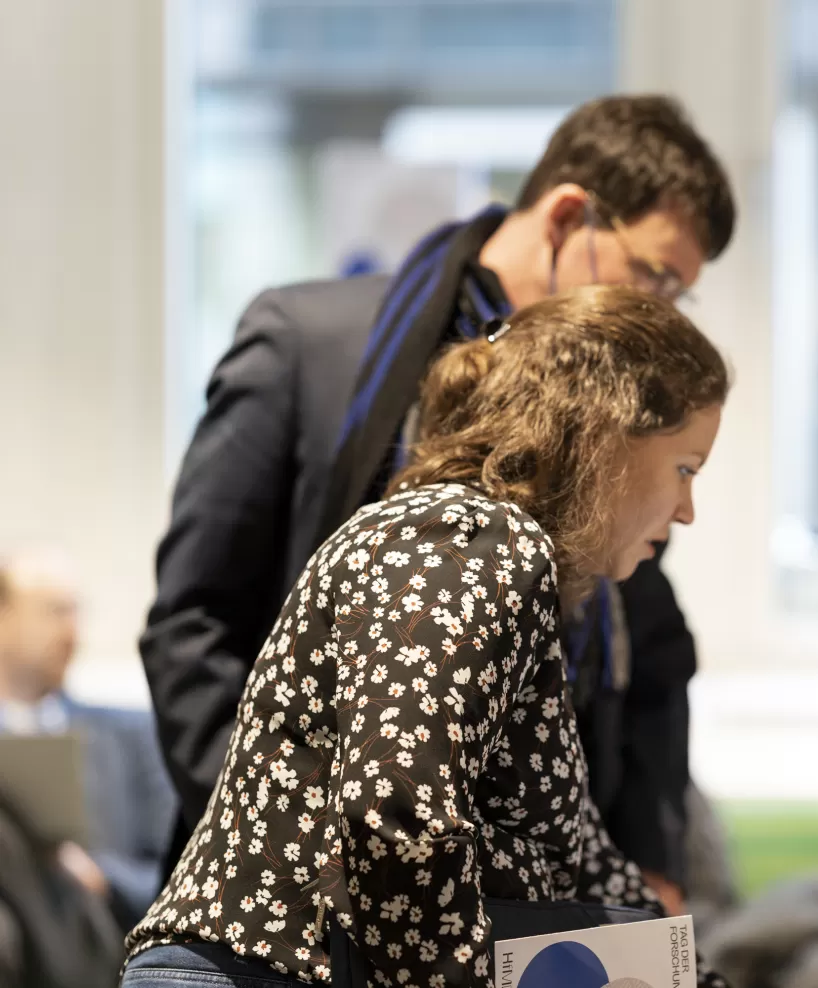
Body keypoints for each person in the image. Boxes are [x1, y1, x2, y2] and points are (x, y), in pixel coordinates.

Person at [140, 96, 736, 917]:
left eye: (681, 294)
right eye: (656, 274)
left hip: (519, 898)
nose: (662, 308)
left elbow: (650, 653)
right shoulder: (306, 346)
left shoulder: (615, 422)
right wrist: (286, 841)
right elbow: (194, 624)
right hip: (294, 906)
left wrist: (645, 867)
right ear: (569, 216)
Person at [123, 286, 729, 988]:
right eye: (685, 468)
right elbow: (395, 811)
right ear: (607, 436)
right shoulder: (471, 539)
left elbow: (584, 863)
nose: (686, 510)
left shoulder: (480, 550)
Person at [0, 550, 176, 933]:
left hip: (101, 941)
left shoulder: (134, 736)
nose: (71, 632)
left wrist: (102, 877)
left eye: (75, 612)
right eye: (54, 611)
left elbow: (182, 875)